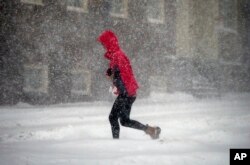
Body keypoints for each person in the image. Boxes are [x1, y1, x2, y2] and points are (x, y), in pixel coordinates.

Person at [98, 30, 161, 139]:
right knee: (125, 121)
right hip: (129, 93)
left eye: (104, 44)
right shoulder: (116, 56)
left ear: (109, 43)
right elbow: (119, 72)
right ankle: (151, 130)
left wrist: (122, 89)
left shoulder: (118, 56)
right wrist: (111, 72)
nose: (103, 47)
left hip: (126, 93)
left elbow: (125, 74)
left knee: (113, 117)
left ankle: (115, 143)